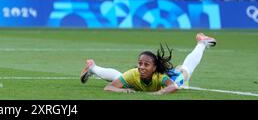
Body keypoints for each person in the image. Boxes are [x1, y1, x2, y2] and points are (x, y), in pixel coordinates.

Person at [80, 33, 216, 94]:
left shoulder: (160, 77)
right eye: (140, 63)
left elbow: (173, 87)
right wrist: (124, 90)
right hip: (143, 82)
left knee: (186, 71)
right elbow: (109, 88)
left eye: (146, 65)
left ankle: (201, 43)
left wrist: (159, 93)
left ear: (154, 67)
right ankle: (93, 67)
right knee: (120, 78)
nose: (141, 67)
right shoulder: (134, 73)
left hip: (172, 79)